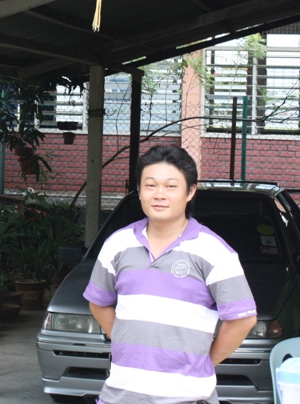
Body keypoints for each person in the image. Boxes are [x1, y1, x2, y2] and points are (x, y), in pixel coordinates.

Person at [84, 146, 257, 404]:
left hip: (187, 398)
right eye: (150, 185)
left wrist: (203, 362)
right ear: (140, 191)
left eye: (171, 186)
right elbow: (98, 301)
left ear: (190, 192)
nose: (159, 195)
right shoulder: (117, 244)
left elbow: (243, 319)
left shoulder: (214, 251)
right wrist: (126, 339)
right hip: (120, 396)